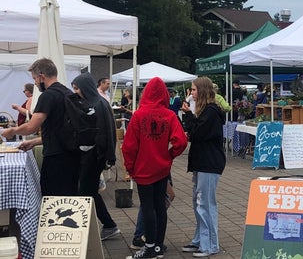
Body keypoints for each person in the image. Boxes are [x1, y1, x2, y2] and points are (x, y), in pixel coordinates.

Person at [122, 77, 187, 259]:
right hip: (162, 168)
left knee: (148, 206)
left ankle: (149, 248)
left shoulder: (139, 115)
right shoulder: (169, 115)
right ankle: (158, 245)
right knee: (160, 206)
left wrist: (130, 168)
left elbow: (129, 147)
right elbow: (181, 141)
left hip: (143, 169)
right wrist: (169, 155)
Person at [1, 58, 81, 196]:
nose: (35, 84)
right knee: (69, 196)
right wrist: (33, 142)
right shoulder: (67, 92)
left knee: (51, 196)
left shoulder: (48, 96)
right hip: (72, 154)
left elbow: (31, 127)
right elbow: (60, 130)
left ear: (42, 76)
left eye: (35, 79)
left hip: (56, 158)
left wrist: (11, 130)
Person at [70, 73, 121, 241]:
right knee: (89, 192)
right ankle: (108, 225)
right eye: (74, 88)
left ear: (85, 87)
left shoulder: (99, 104)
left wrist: (108, 156)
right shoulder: (93, 103)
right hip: (91, 156)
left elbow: (108, 132)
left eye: (77, 88)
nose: (75, 92)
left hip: (94, 156)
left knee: (86, 192)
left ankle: (105, 226)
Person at [180, 77, 226, 258]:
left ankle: (211, 244)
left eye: (194, 89)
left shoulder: (211, 112)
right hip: (202, 161)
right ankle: (200, 239)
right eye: (191, 89)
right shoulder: (206, 111)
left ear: (202, 91)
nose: (191, 93)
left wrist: (189, 116)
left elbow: (198, 132)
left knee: (205, 204)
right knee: (198, 202)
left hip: (209, 162)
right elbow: (196, 132)